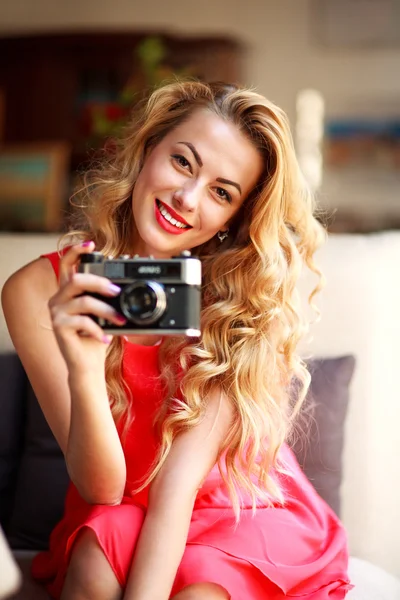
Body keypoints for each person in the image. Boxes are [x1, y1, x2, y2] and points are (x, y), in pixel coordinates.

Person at [2, 80, 353, 600]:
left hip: (239, 510)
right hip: (122, 500)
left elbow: (178, 488)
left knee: (198, 593)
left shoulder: (238, 307)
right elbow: (103, 490)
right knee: (95, 566)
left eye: (221, 192)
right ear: (147, 150)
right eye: (183, 162)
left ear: (232, 220)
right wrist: (83, 367)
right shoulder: (39, 291)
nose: (187, 198)